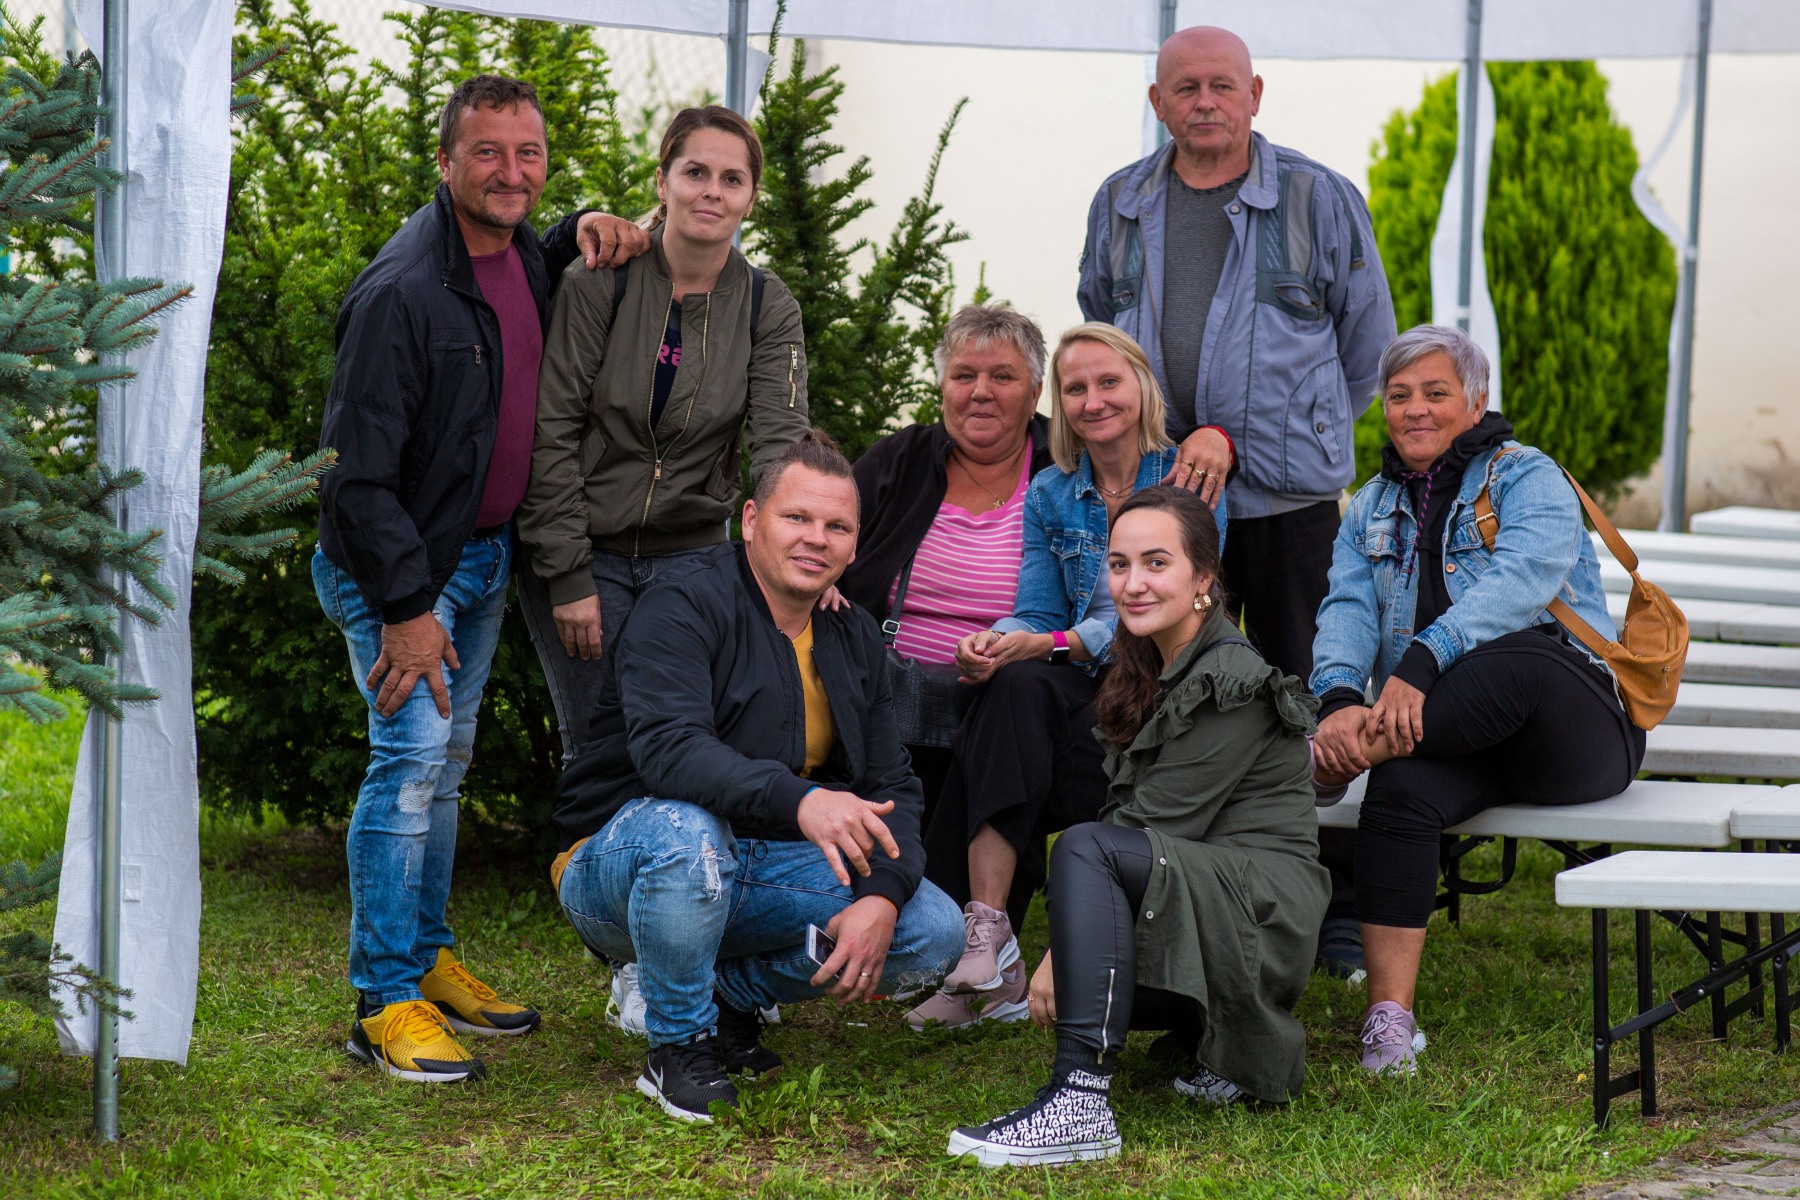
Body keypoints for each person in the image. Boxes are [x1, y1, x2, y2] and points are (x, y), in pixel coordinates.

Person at [314, 75, 649, 1083]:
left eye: (528, 153)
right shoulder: (402, 291)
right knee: (408, 766)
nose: (512, 172)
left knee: (446, 769)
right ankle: (383, 1002)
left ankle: (425, 957)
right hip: (404, 576)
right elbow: (353, 480)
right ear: (446, 161)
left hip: (483, 557)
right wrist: (406, 612)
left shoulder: (515, 256)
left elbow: (526, 281)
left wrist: (578, 229)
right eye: (488, 153)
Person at [1077, 24, 1396, 977]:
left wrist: (1269, 442)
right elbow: (1104, 332)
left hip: (1289, 503)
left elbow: (1366, 350)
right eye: (1186, 88)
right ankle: (1165, 881)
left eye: (1223, 85)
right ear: (1158, 103)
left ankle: (1333, 904)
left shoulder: (1318, 197)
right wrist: (1174, 445)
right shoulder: (1120, 202)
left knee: (1311, 687)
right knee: (1161, 685)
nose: (1205, 101)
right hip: (1166, 501)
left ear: (1255, 95)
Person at [549, 430, 965, 1124]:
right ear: (750, 520)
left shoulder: (853, 634)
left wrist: (883, 898)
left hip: (757, 864)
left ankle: (729, 996)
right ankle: (677, 1046)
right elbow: (670, 751)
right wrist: (803, 801)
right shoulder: (681, 604)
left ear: (854, 546)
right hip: (626, 860)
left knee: (932, 929)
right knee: (687, 833)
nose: (816, 539)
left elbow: (895, 787)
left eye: (836, 527)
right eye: (796, 517)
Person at [947, 487, 1328, 1167]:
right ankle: (1196, 1045)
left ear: (1203, 577)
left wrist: (1061, 954)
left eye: (1157, 563)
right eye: (1119, 565)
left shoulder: (1230, 676)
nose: (1133, 583)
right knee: (1094, 851)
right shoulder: (1156, 661)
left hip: (1262, 915)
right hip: (1211, 893)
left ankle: (1079, 1104)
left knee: (1087, 847)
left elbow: (1149, 823)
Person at [1309, 325, 1644, 1075]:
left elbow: (1520, 584)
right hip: (1447, 738)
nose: (1415, 409)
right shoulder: (1371, 506)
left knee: (1517, 657)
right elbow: (1347, 609)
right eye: (1400, 395)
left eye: (1436, 392)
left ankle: (1330, 760)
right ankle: (1390, 1021)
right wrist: (1336, 697)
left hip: (1572, 733)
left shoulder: (1528, 477)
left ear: (1476, 399)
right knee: (1398, 787)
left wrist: (1420, 661)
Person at [904, 323, 1227, 1031]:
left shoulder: (1186, 478)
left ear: (1142, 388)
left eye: (1108, 382)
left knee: (1022, 710)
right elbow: (1038, 608)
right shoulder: (1052, 491)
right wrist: (998, 640)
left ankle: (995, 959)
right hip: (1085, 681)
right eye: (1075, 388)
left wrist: (1055, 642)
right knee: (1007, 687)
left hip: (1167, 682)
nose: (1092, 400)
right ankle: (988, 937)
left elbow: (1170, 611)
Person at [516, 104, 810, 764]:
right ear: (663, 180)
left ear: (751, 198)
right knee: (600, 750)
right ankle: (590, 839)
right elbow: (551, 429)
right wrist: (567, 575)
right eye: (695, 172)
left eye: (732, 180)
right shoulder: (600, 283)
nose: (712, 192)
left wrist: (795, 552)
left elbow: (781, 447)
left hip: (694, 556)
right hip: (586, 548)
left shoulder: (766, 305)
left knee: (683, 743)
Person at [837, 305, 1055, 803]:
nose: (981, 391)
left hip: (1010, 705)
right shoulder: (898, 460)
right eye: (964, 375)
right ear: (942, 386)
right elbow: (824, 534)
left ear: (1036, 392)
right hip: (887, 700)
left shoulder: (1064, 471)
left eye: (1003, 376)